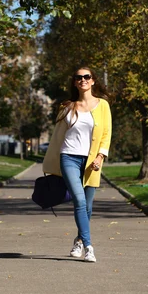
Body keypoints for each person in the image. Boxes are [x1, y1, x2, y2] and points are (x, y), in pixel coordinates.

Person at [42, 67, 112, 263]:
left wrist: (100, 157)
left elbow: (106, 134)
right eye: (78, 77)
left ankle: (79, 240)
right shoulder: (67, 107)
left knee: (87, 206)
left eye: (86, 77)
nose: (83, 80)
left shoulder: (103, 105)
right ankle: (89, 247)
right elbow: (58, 137)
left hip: (91, 162)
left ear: (93, 81)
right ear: (75, 82)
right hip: (69, 158)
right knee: (79, 201)